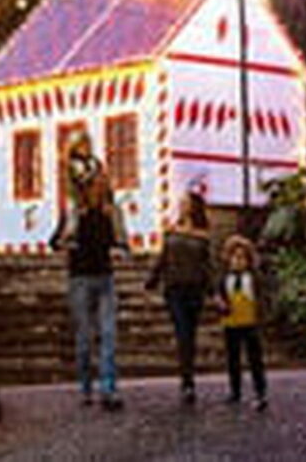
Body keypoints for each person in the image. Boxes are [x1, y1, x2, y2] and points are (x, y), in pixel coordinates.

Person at [49, 131, 129, 411]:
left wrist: (120, 246)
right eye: (96, 185)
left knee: (109, 336)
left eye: (102, 185)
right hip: (80, 278)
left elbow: (119, 242)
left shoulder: (109, 214)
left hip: (104, 277)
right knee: (84, 338)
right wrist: (65, 241)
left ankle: (108, 389)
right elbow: (54, 243)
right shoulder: (74, 214)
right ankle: (85, 386)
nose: (101, 189)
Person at [145, 190, 214, 404]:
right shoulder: (172, 230)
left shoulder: (203, 234)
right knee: (182, 332)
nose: (182, 206)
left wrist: (214, 291)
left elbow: (207, 266)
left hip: (194, 288)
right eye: (181, 202)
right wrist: (153, 279)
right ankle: (187, 382)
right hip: (174, 288)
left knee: (190, 335)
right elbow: (164, 257)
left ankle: (188, 377)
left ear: (194, 206)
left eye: (185, 203)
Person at [217, 234, 268, 411]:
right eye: (234, 257)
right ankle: (235, 390)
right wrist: (221, 304)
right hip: (231, 322)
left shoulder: (254, 278)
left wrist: (261, 317)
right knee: (233, 358)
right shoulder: (225, 279)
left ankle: (260, 391)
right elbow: (220, 296)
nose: (238, 261)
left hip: (250, 322)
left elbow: (261, 298)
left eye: (242, 258)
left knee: (255, 358)